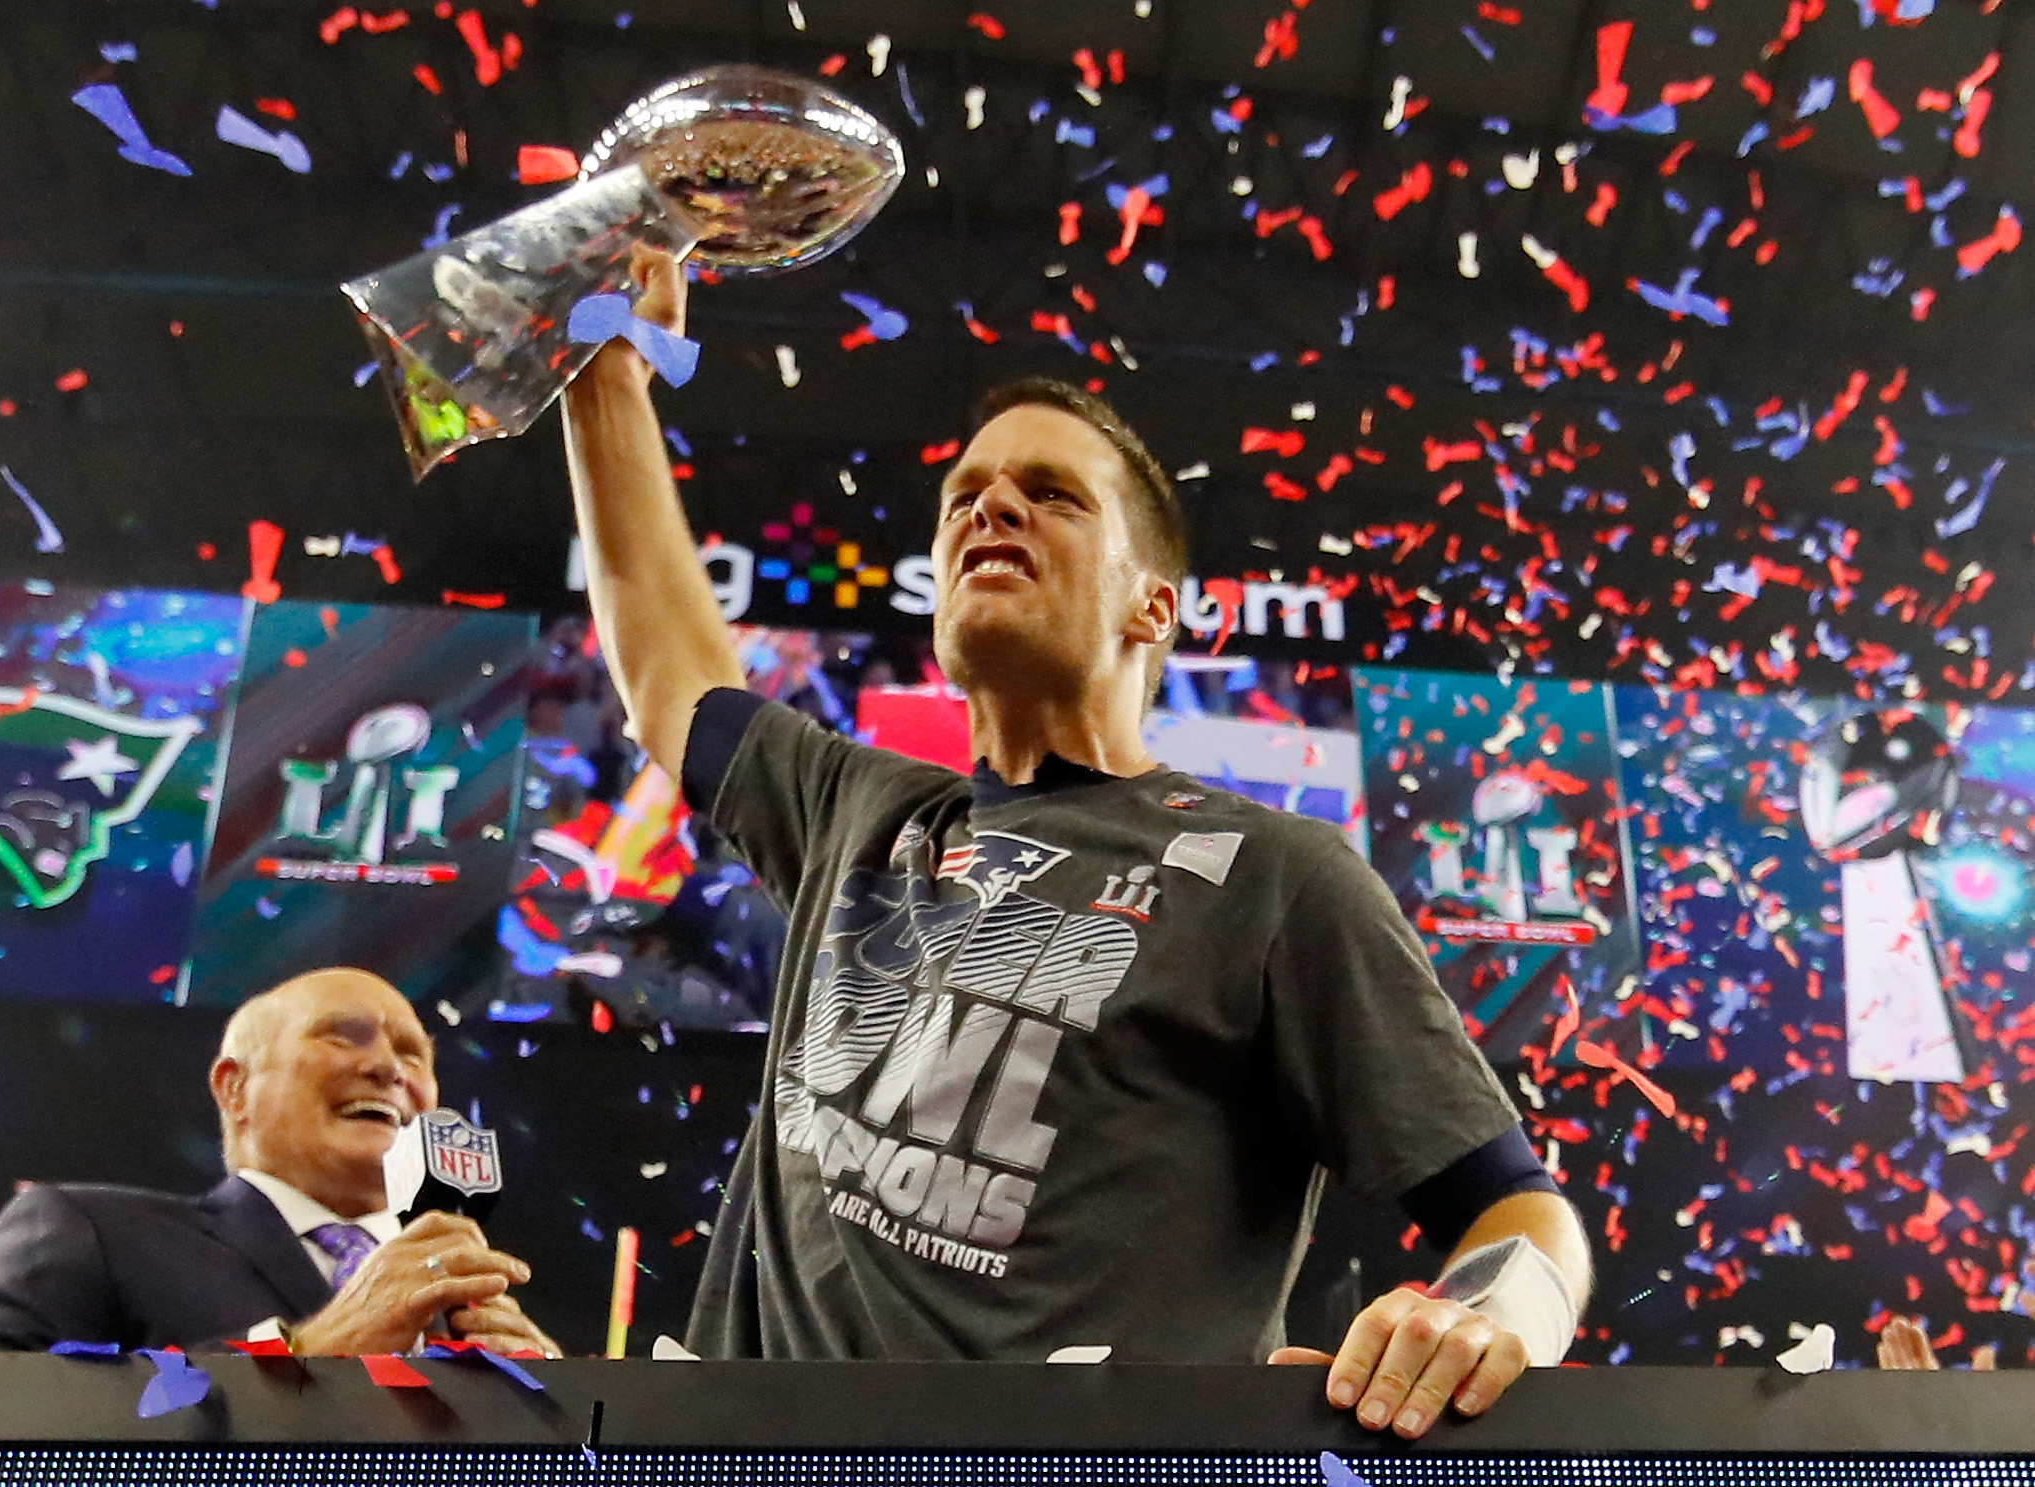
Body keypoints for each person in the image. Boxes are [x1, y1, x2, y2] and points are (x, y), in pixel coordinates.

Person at [558, 245, 1590, 1437]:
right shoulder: (859, 809)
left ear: (1154, 604)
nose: (991, 505)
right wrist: (608, 375)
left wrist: (1483, 1314)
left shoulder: (1274, 877)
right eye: (965, 498)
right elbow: (663, 670)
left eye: (1052, 492)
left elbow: (1513, 1203)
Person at [0, 967, 556, 1356]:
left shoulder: (468, 1299)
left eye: (413, 1054)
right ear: (235, 1087)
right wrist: (307, 1351)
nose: (389, 1069)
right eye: (342, 1035)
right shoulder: (92, 1231)